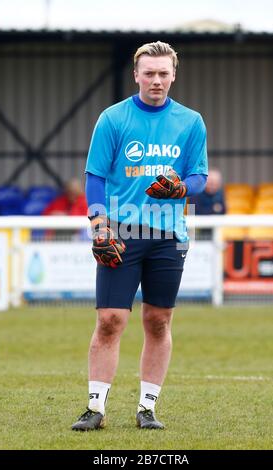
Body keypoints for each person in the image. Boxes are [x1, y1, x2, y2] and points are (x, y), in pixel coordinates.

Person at [71, 41, 208, 431]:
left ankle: (147, 408)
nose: (156, 80)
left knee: (159, 320)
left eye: (164, 73)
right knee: (111, 319)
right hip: (121, 231)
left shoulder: (191, 121)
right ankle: (95, 408)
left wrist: (181, 188)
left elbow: (198, 175)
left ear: (174, 75)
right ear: (136, 75)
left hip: (169, 235)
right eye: (149, 73)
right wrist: (99, 225)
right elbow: (94, 176)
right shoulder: (113, 119)